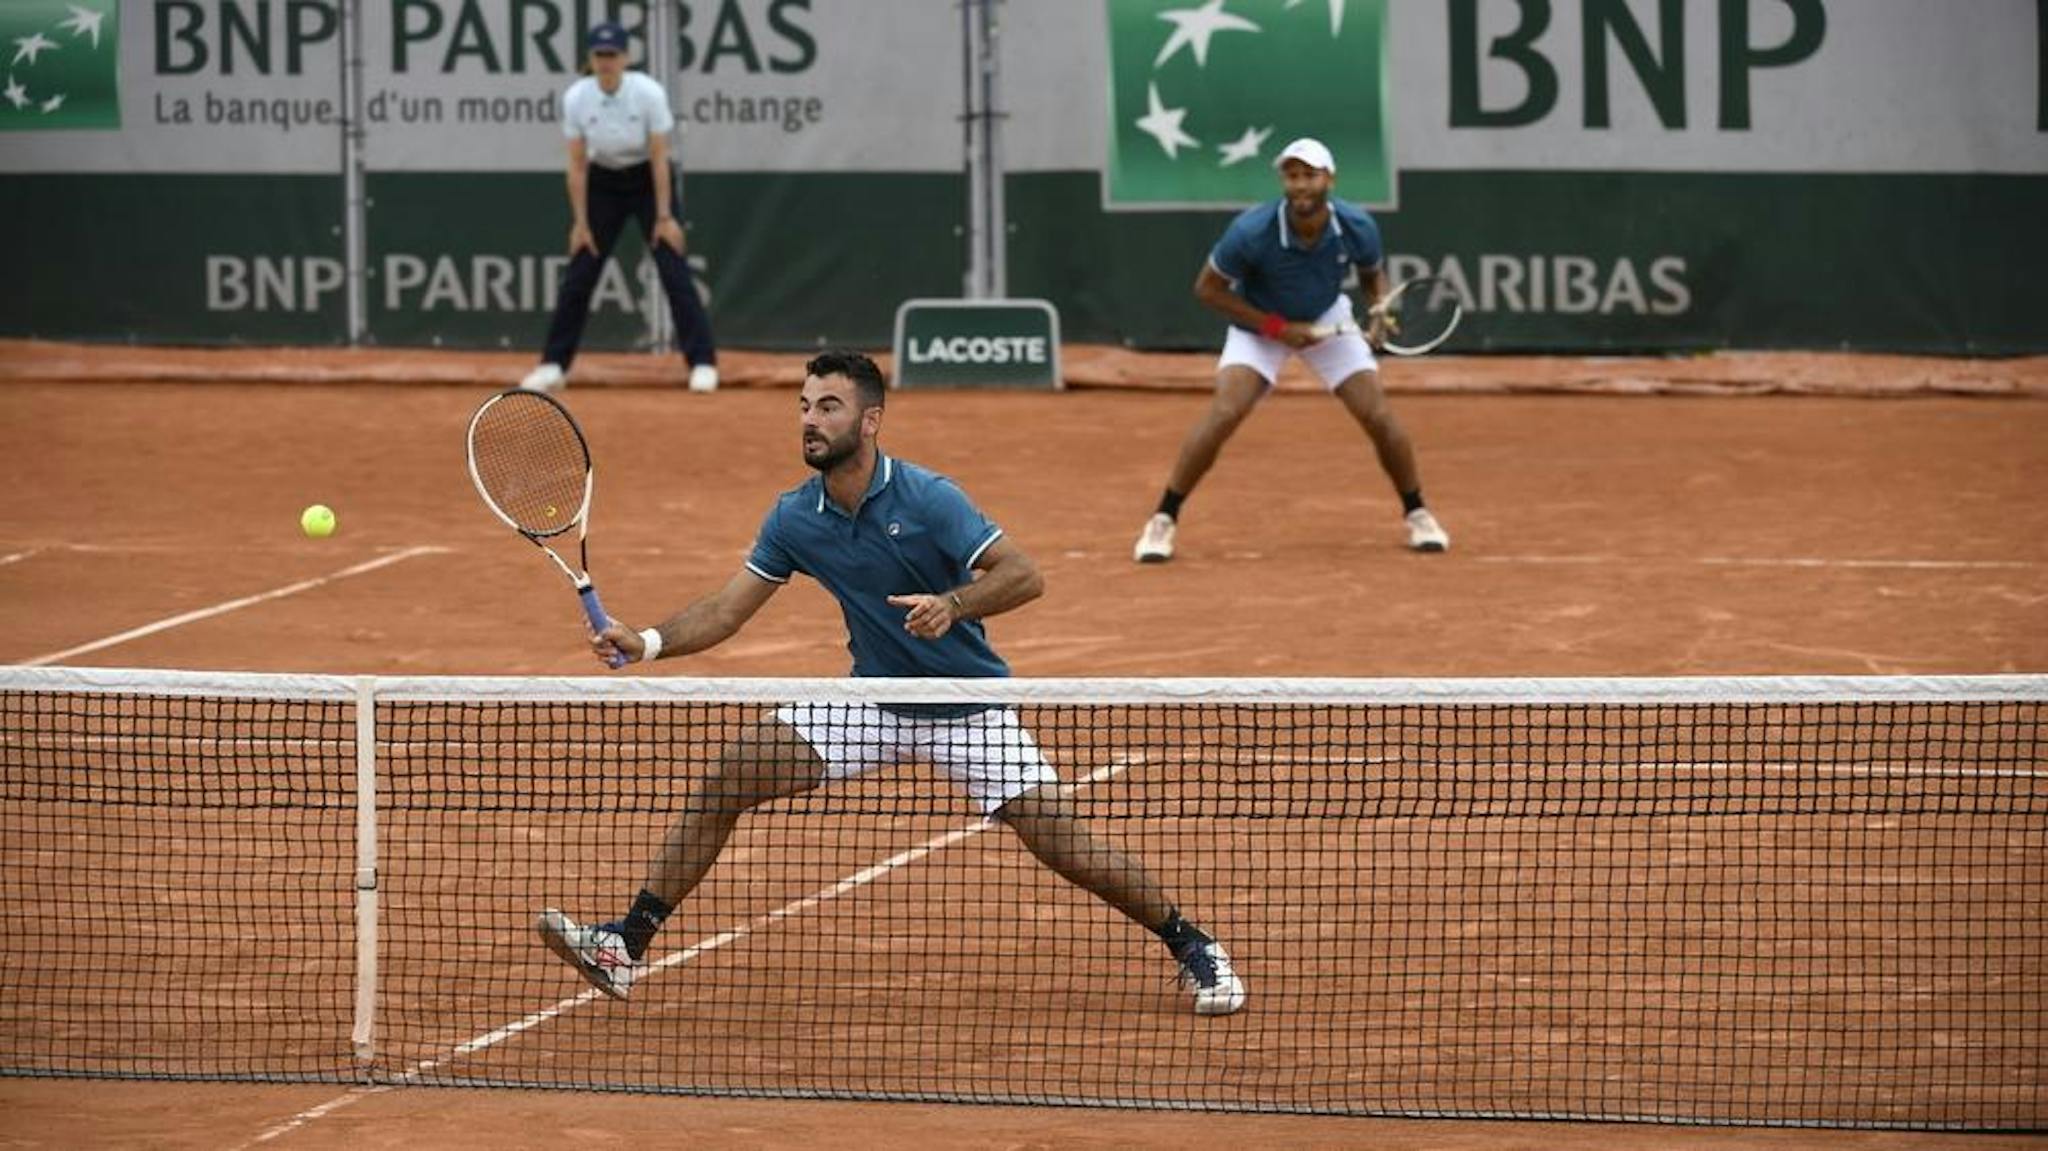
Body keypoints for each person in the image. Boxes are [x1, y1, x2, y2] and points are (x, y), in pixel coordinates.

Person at [537, 350, 1247, 1017]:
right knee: (730, 778)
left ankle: (1192, 943)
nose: (810, 420)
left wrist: (955, 604)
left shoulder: (930, 497)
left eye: (829, 407)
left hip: (965, 707)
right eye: (805, 406)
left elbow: (1024, 574)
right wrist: (651, 641)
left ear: (869, 420)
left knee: (1066, 845)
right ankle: (625, 942)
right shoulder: (794, 517)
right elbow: (728, 608)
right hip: (872, 701)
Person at [1132, 136, 1449, 562]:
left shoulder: (1357, 226)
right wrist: (1278, 328)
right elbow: (1207, 290)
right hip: (1260, 325)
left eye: (1309, 175)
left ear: (1329, 180)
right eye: (1292, 176)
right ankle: (1163, 518)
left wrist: (1379, 311)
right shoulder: (1251, 231)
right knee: (1225, 412)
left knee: (1378, 415)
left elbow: (1374, 277)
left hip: (1327, 319)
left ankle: (1417, 511)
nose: (1300, 185)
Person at [520, 21, 718, 395]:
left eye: (612, 55)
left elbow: (661, 159)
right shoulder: (577, 97)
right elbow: (577, 166)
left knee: (673, 268)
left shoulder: (648, 93)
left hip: (648, 182)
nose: (606, 62)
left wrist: (664, 216)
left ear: (625, 58)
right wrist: (580, 223)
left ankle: (703, 363)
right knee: (580, 273)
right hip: (603, 184)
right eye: (599, 55)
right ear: (591, 59)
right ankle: (553, 365)